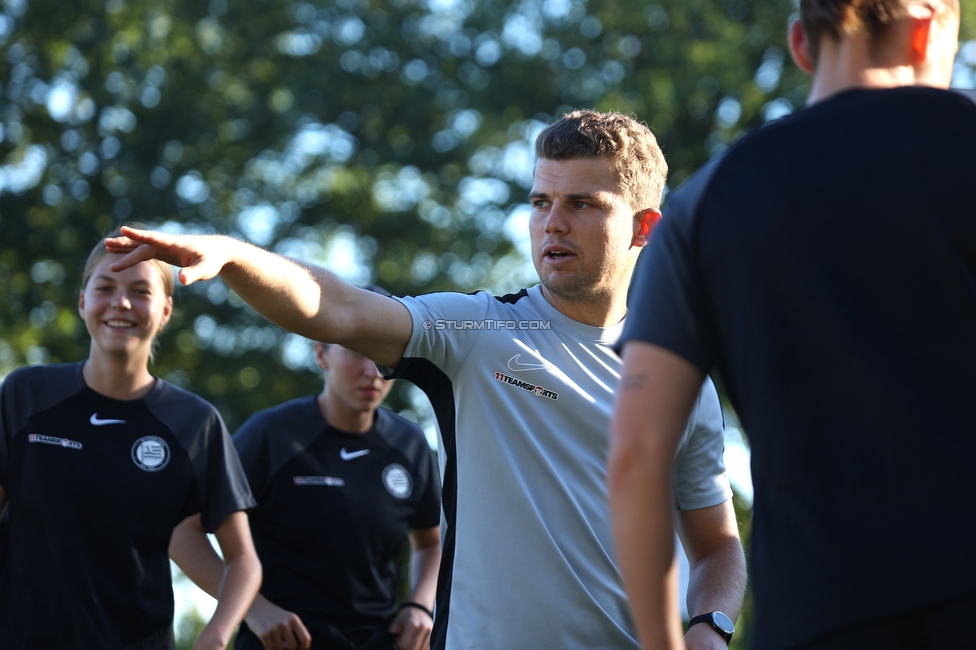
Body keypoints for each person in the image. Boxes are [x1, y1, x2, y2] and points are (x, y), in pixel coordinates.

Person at [106, 109, 747, 650]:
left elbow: (718, 544)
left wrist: (711, 627)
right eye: (540, 202)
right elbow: (338, 307)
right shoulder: (476, 331)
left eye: (582, 204)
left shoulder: (683, 382)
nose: (553, 222)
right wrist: (235, 256)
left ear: (643, 226)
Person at [610, 1, 976, 649]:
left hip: (816, 612)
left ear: (802, 43)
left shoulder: (706, 204)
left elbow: (637, 455)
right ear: (926, 30)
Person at [0, 228, 262, 649]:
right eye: (105, 287)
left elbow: (243, 560)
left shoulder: (195, 423)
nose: (121, 302)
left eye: (140, 291)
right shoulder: (25, 394)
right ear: (83, 300)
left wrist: (216, 634)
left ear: (164, 311)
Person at [169, 288, 441, 650]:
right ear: (320, 354)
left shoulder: (410, 443)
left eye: (382, 352)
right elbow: (182, 531)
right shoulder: (270, 435)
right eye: (356, 352)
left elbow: (431, 542)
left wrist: (419, 605)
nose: (372, 370)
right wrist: (253, 608)